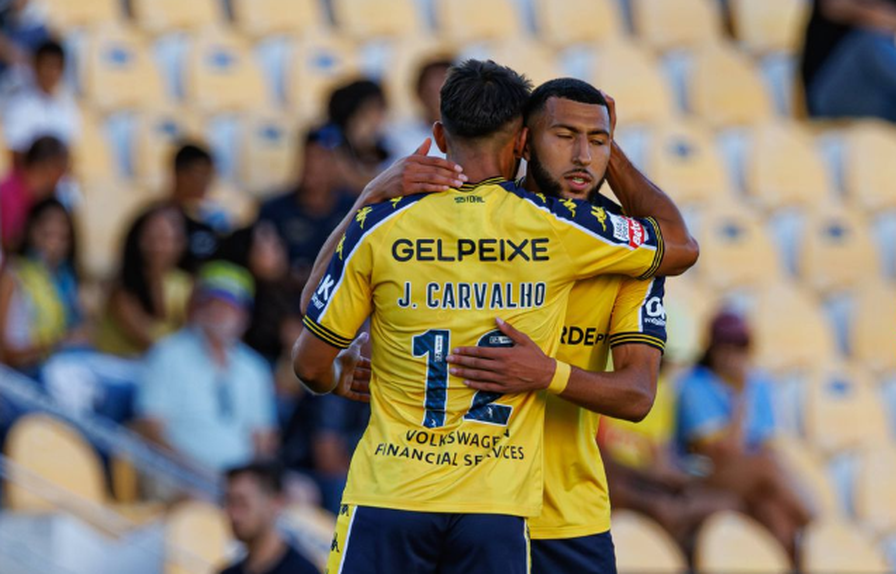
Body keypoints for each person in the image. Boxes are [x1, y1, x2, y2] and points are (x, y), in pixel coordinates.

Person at [292, 60, 697, 574]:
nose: (581, 156)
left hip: (562, 517)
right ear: (525, 142)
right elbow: (324, 318)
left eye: (597, 140)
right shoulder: (520, 225)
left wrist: (548, 373)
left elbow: (638, 394)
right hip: (487, 507)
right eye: (565, 135)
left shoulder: (621, 251)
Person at [676, 310, 811, 560]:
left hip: (749, 480)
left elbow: (767, 444)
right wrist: (741, 395)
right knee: (767, 467)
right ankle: (816, 526)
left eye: (740, 346)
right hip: (704, 476)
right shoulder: (694, 385)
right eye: (725, 346)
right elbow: (725, 453)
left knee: (778, 521)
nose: (733, 354)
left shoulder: (761, 384)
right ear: (712, 348)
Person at [135, 261, 277, 472]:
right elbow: (150, 429)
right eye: (212, 303)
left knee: (301, 491)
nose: (219, 312)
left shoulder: (255, 368)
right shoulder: (168, 354)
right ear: (198, 308)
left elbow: (263, 439)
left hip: (237, 481)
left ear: (245, 316)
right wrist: (195, 470)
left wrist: (253, 482)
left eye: (229, 306)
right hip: (178, 473)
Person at [257, 128, 356, 283]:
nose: (313, 165)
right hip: (288, 299)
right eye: (309, 156)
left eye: (322, 158)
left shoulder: (354, 209)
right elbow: (266, 266)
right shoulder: (274, 210)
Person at [95, 203, 192, 357]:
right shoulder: (122, 285)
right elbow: (146, 338)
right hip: (119, 365)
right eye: (151, 238)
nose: (157, 247)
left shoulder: (183, 284)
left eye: (165, 239)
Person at [0, 197, 82, 376]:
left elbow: (78, 329)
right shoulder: (15, 276)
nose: (54, 244)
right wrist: (57, 345)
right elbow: (6, 353)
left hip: (58, 369)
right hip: (21, 375)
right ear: (30, 231)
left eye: (62, 237)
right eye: (47, 234)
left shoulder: (65, 280)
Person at [801, 0, 896, 121]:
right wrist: (877, 16)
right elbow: (833, 6)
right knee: (870, 42)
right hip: (829, 89)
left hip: (878, 92)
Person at [220, 461, 319, 574]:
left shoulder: (303, 571)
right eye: (229, 502)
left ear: (276, 503)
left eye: (242, 503)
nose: (234, 514)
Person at [2, 39, 81, 156]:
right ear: (35, 66)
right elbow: (16, 153)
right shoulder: (18, 106)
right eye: (46, 65)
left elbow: (70, 151)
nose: (50, 73)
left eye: (56, 67)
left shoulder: (69, 106)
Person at [0, 135, 69, 251]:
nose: (62, 178)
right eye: (60, 170)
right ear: (49, 166)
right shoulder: (5, 195)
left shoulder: (44, 197)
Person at [167, 143, 227, 272]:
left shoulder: (214, 219)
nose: (206, 182)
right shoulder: (156, 219)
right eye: (201, 174)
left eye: (209, 175)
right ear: (180, 174)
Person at [325, 79, 390, 193]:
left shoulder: (383, 144)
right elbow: (354, 183)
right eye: (377, 107)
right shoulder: (328, 140)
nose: (382, 115)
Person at [386, 58, 452, 159]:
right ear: (419, 93)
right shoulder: (396, 138)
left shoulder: (476, 138)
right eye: (430, 92)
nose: (438, 101)